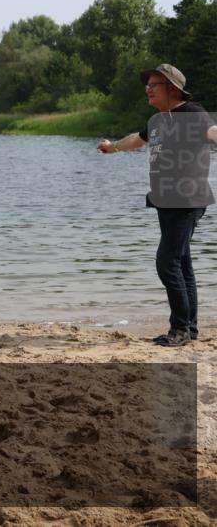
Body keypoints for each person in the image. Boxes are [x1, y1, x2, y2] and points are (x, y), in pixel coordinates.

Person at [97, 63, 217, 347]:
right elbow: (137, 140)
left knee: (167, 262)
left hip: (187, 199)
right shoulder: (158, 120)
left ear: (173, 89)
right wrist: (113, 146)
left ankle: (179, 329)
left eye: (154, 85)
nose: (148, 89)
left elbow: (212, 130)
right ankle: (189, 328)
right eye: (147, 85)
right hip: (166, 200)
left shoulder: (192, 113)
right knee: (181, 263)